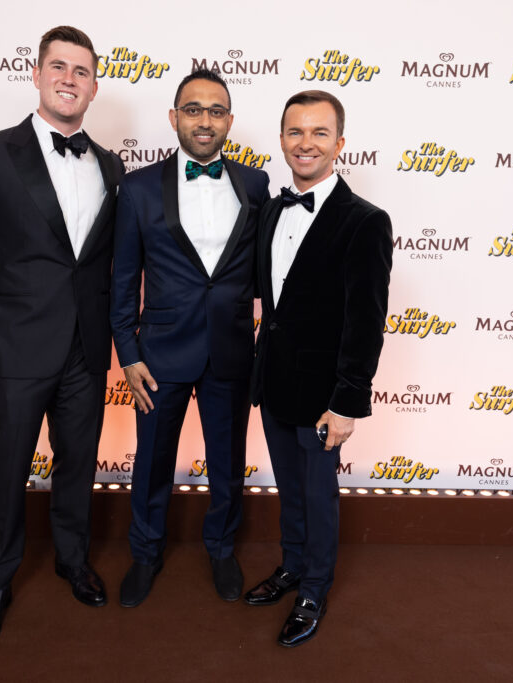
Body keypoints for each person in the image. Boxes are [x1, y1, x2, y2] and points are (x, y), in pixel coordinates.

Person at [0, 25, 125, 652]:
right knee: (8, 467)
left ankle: (72, 560)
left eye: (82, 71)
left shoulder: (111, 164)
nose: (69, 79)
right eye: (59, 67)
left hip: (85, 347)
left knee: (78, 462)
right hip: (15, 345)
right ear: (37, 74)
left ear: (94, 86)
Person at [110, 69, 270, 607]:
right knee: (152, 461)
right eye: (194, 109)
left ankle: (221, 549)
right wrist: (127, 352)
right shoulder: (137, 188)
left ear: (230, 121)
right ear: (174, 117)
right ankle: (145, 553)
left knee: (228, 461)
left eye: (216, 110)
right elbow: (123, 278)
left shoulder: (255, 184)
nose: (205, 120)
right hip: (159, 354)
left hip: (231, 349)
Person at [246, 90, 393, 647]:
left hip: (324, 393)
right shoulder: (271, 210)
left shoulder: (365, 221)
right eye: (295, 131)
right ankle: (292, 565)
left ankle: (314, 589)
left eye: (319, 132)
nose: (305, 143)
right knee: (289, 487)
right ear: (282, 139)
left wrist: (347, 401)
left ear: (340, 143)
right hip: (274, 379)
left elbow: (365, 323)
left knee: (317, 494)